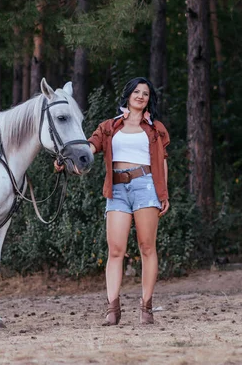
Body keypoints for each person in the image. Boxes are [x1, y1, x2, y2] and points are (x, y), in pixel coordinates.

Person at [56, 77, 170, 325]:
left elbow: (162, 161)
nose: (141, 96)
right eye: (137, 92)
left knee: (147, 247)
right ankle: (112, 308)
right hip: (117, 189)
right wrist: (67, 160)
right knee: (116, 250)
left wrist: (164, 194)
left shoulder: (156, 129)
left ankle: (146, 307)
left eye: (146, 93)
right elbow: (89, 147)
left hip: (146, 186)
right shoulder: (109, 126)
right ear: (128, 95)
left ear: (149, 99)